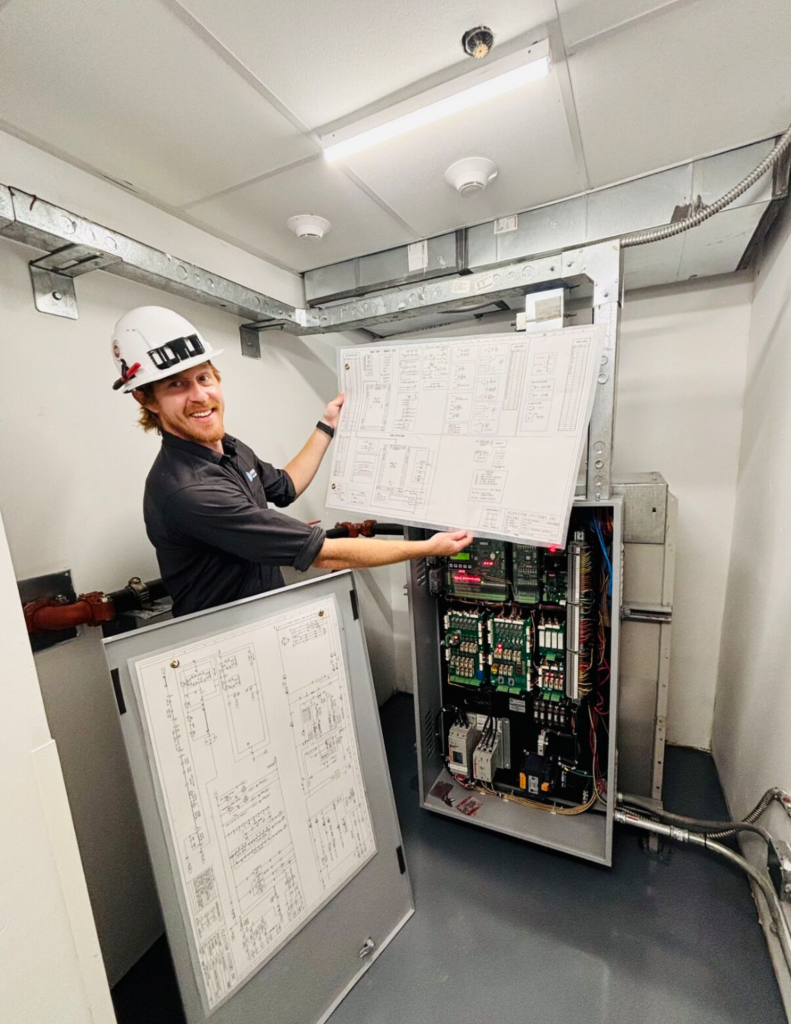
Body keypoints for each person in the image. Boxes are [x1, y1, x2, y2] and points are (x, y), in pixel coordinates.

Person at [112, 306, 472, 616]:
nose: (199, 396)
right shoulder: (189, 491)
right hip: (222, 639)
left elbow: (285, 487)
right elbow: (325, 554)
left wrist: (327, 424)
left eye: (203, 377)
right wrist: (429, 548)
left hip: (265, 617)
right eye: (176, 385)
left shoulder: (229, 448)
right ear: (147, 400)